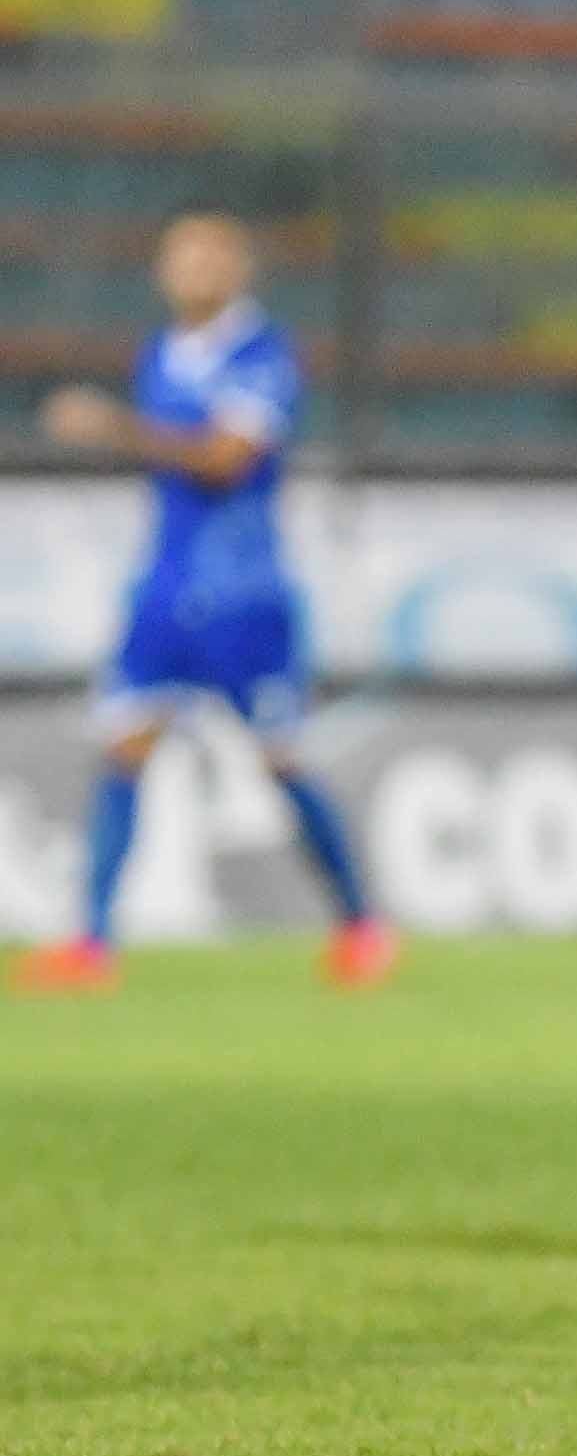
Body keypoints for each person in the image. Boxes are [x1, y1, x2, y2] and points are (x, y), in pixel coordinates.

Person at [15, 214, 393, 991]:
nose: (195, 269)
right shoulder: (159, 352)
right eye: (182, 256)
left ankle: (361, 926)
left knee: (280, 759)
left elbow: (226, 460)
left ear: (240, 269)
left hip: (243, 593)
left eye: (212, 256)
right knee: (124, 745)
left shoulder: (261, 354)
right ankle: (90, 942)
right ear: (162, 269)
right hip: (166, 584)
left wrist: (115, 427)